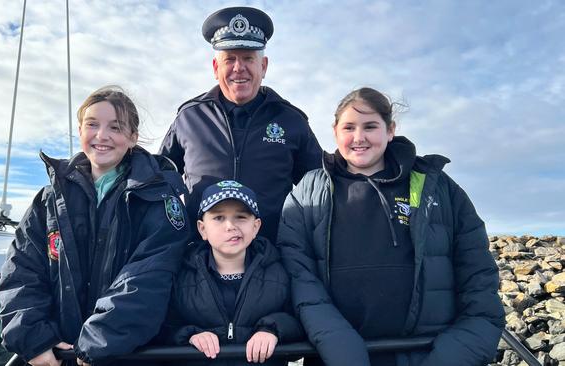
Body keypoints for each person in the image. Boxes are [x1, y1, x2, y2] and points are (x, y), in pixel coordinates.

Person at [277, 87, 505, 366]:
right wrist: (343, 352)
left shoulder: (440, 189)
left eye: (370, 126)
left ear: (390, 130)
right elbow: (300, 280)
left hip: (424, 353)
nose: (359, 137)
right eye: (349, 127)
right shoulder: (306, 194)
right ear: (335, 131)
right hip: (337, 357)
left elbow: (480, 286)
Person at [0, 86, 190, 366]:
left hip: (125, 356)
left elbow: (149, 280)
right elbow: (21, 271)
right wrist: (34, 338)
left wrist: (96, 342)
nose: (102, 136)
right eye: (92, 125)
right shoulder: (49, 200)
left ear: (132, 137)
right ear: (79, 131)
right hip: (57, 356)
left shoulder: (158, 201)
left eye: (116, 127)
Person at [159, 6, 322, 243]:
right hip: (200, 262)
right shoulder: (189, 118)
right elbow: (160, 179)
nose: (239, 68)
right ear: (216, 68)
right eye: (230, 59)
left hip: (272, 260)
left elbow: (320, 187)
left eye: (248, 58)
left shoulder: (291, 121)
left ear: (263, 66)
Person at [160, 180, 303, 365]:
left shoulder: (280, 272)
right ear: (202, 229)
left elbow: (300, 320)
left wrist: (273, 330)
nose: (230, 226)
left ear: (256, 227)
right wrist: (190, 335)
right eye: (218, 218)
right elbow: (163, 327)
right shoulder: (181, 275)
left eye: (241, 217)